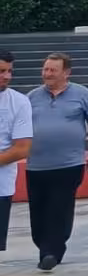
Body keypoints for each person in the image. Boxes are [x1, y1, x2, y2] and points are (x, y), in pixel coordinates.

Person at [26, 52, 88, 271]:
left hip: (69, 164)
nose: (47, 74)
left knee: (60, 208)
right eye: (45, 69)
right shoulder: (31, 97)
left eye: (53, 70)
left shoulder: (82, 94)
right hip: (36, 165)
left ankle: (51, 252)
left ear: (66, 72)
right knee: (38, 210)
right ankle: (44, 246)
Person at [0, 51, 33, 260]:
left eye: (9, 71)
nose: (6, 76)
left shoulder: (19, 102)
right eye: (1, 71)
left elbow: (22, 148)